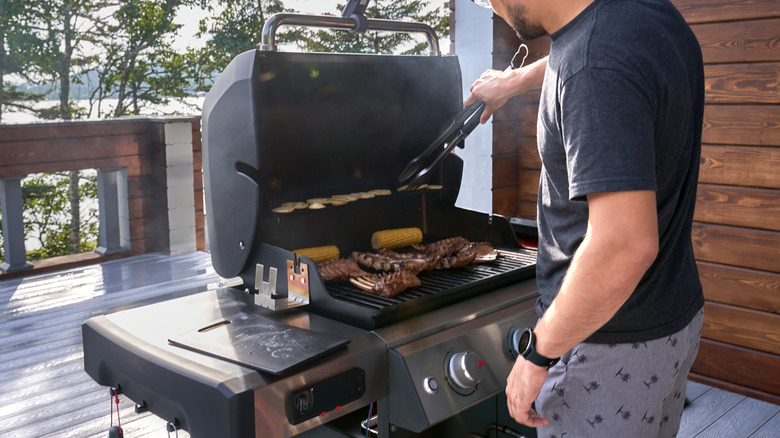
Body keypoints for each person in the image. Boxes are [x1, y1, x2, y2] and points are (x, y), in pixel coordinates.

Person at [465, 0, 705, 436]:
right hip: (671, 319)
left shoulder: (592, 67)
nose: (494, 9)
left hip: (605, 346)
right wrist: (514, 81)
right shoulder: (638, 12)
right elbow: (589, 54)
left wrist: (539, 354)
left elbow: (624, 245)